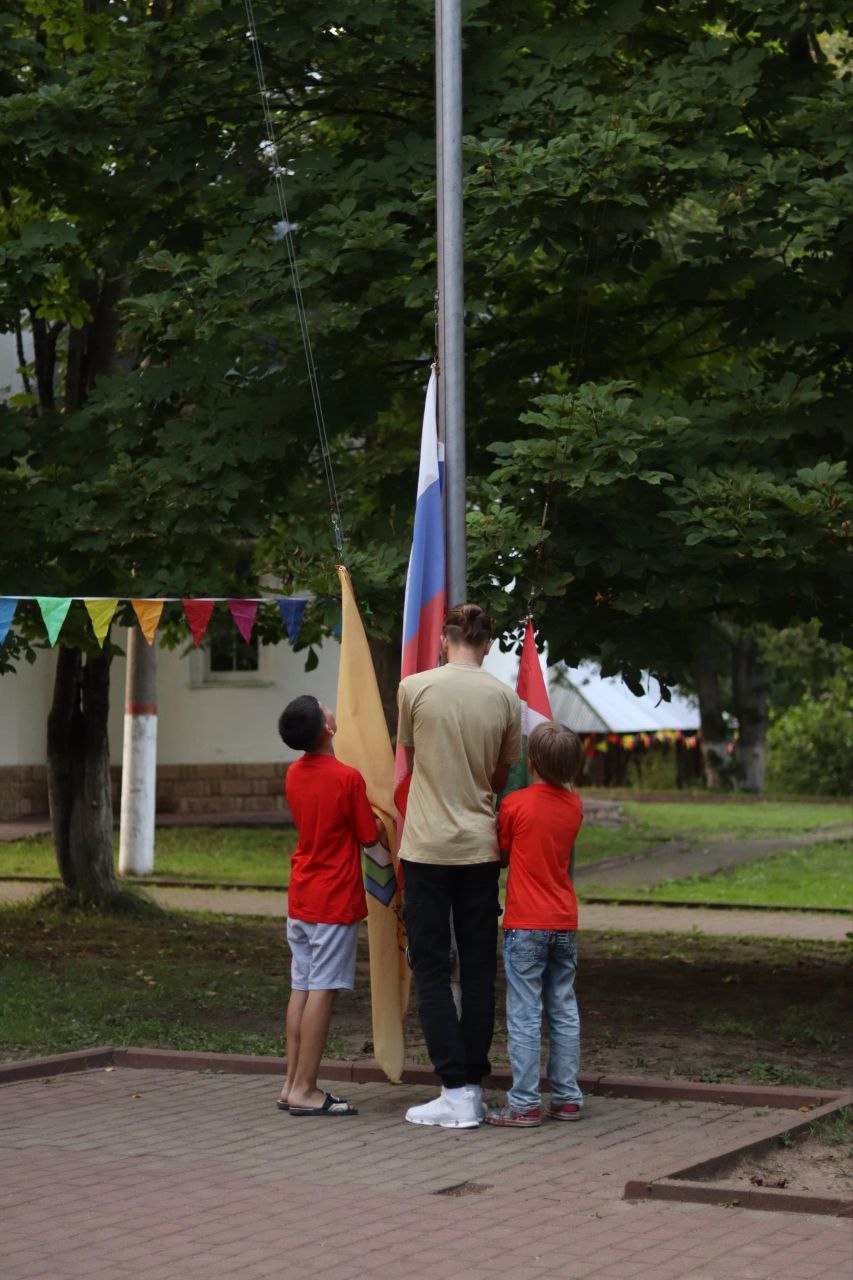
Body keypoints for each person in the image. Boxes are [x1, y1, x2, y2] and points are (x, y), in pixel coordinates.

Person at [398, 604, 522, 1128]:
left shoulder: (414, 688)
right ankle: (471, 1083)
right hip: (479, 848)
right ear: (488, 645)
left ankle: (453, 1091)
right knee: (477, 967)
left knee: (429, 966)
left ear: (443, 640)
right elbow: (500, 775)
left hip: (426, 846)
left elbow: (412, 760)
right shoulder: (505, 697)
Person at [276, 694, 383, 1117]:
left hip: (302, 895)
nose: (329, 708)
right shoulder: (347, 778)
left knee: (301, 987)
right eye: (325, 708)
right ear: (328, 728)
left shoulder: (293, 773)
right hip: (334, 900)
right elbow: (369, 836)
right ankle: (306, 1089)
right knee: (322, 989)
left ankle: (290, 1083)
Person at [484, 721, 585, 1128]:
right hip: (564, 920)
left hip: (526, 922)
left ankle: (524, 1103)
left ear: (532, 763)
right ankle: (567, 1098)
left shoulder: (515, 804)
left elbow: (502, 853)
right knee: (563, 1008)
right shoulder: (574, 805)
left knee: (525, 1013)